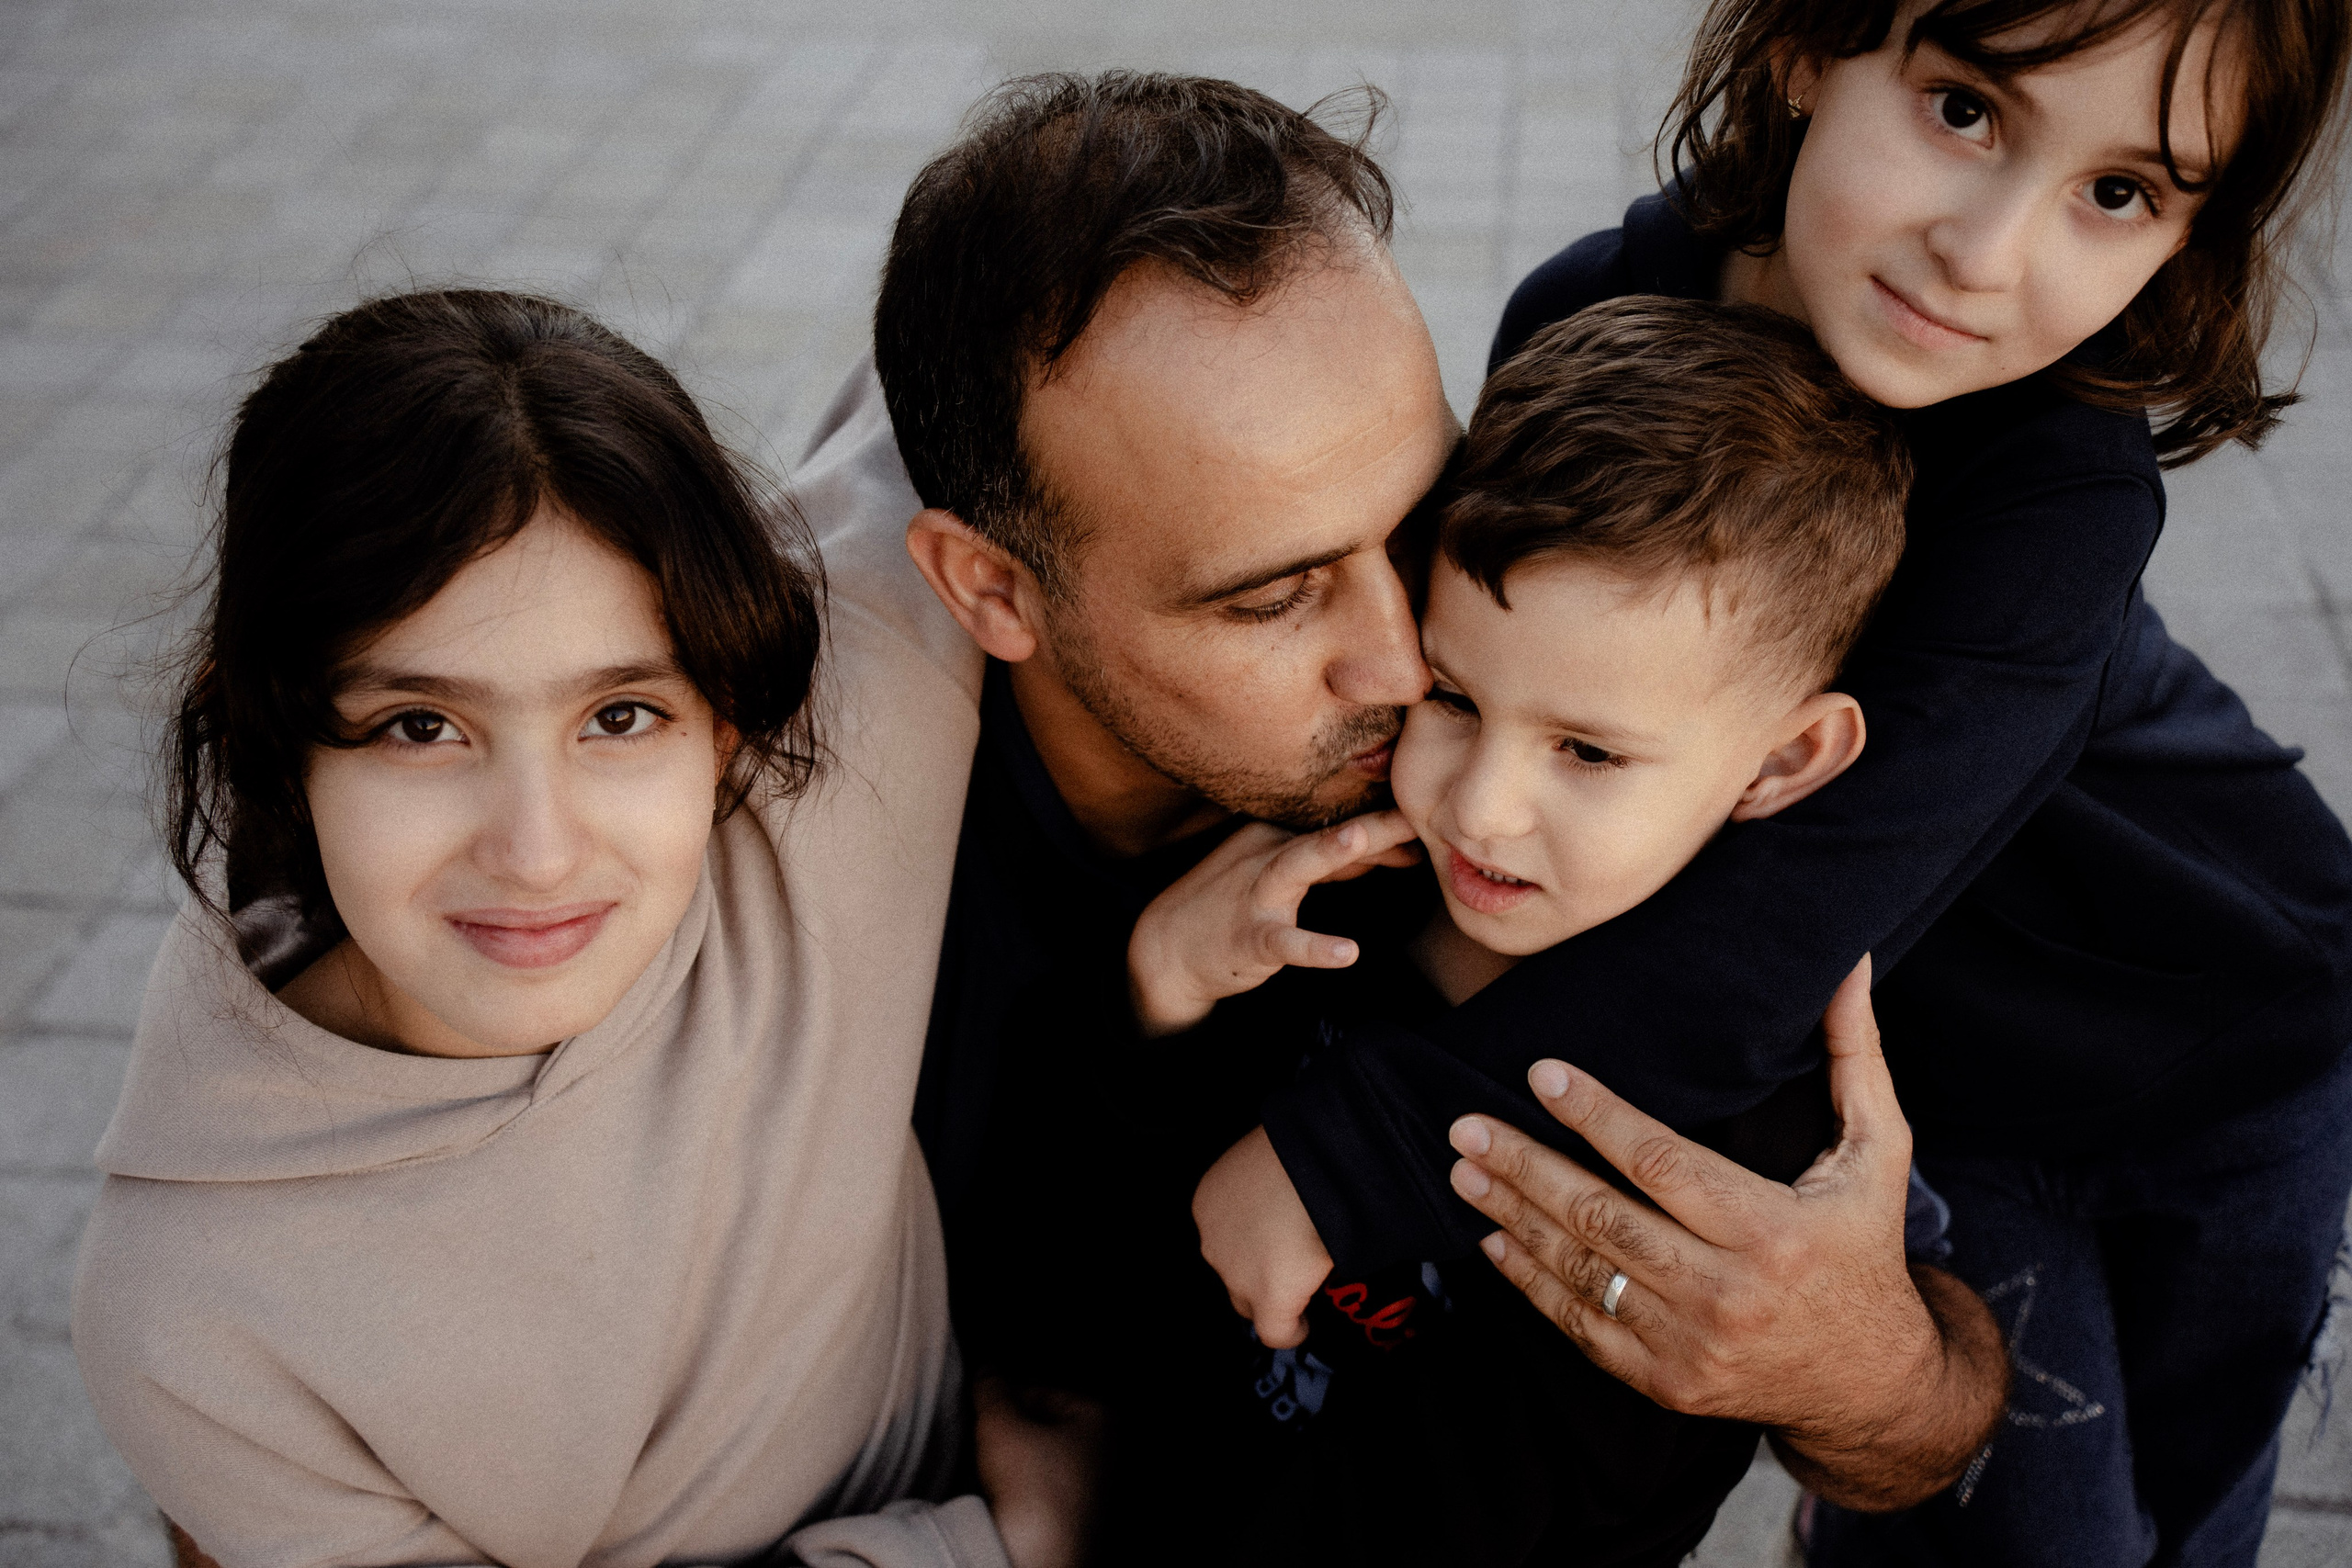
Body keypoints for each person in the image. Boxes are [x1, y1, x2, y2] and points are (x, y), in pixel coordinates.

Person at [791, 68, 2007, 1564]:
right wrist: (1154, 1016)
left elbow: (1922, 1344)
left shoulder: (1655, 881)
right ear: (994, 590)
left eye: (1415, 525)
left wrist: (1870, 1371)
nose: (1404, 662)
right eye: (1276, 592)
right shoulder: (809, 866)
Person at [1202, 2, 2352, 1564]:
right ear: (1811, 43)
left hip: (2225, 1052)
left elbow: (1779, 919)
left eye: (2122, 191)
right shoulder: (1594, 312)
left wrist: (1361, 1152)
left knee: (2193, 1511)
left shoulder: (2058, 497)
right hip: (1929, 1083)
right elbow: (1511, 669)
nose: (1988, 252)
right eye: (1963, 110)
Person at [70, 289, 1016, 1568]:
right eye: (422, 726)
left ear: (728, 719)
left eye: (619, 717)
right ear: (273, 748)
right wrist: (1000, 1543)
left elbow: (1046, 324)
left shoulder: (854, 717)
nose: (538, 851)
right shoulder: (192, 1310)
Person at [1106, 295, 2004, 1563]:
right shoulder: (1333, 897)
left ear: (1787, 757)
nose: (1480, 806)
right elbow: (1110, 1232)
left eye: (1587, 749)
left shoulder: (1719, 1161)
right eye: (1457, 699)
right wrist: (1162, 999)